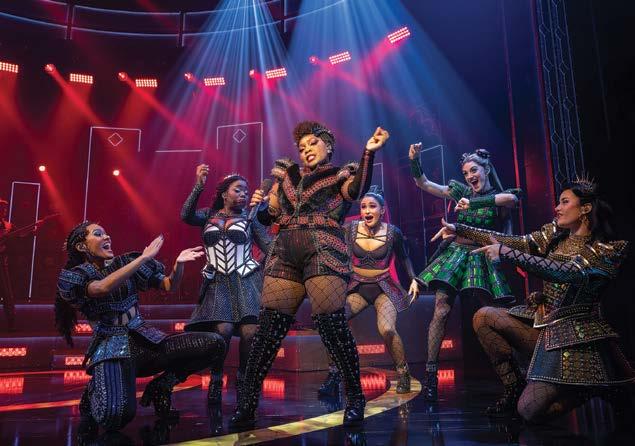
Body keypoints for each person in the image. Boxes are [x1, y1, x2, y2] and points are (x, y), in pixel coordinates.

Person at [230, 122, 389, 426]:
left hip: (323, 247)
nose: (306, 150)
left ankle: (355, 397)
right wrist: (263, 204)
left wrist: (368, 153)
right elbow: (269, 217)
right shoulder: (286, 176)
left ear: (328, 146)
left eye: (313, 143)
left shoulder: (339, 174)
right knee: (268, 331)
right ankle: (247, 405)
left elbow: (356, 191)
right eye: (302, 147)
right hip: (286, 249)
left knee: (331, 325)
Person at [436, 176, 635, 420]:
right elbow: (516, 242)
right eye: (558, 202)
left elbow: (566, 272)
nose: (557, 208)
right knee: (484, 316)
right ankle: (514, 388)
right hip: (544, 327)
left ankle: (588, 389)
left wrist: (506, 253)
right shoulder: (554, 234)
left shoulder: (605, 249)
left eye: (564, 202)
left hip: (576, 339)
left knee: (529, 411)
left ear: (585, 209)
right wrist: (461, 229)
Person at [55, 222, 226, 437]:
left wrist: (178, 264)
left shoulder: (126, 262)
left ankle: (161, 386)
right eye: (98, 234)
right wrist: (143, 258)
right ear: (82, 247)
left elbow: (169, 285)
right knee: (116, 417)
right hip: (111, 350)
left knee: (214, 343)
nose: (107, 237)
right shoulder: (74, 276)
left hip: (146, 343)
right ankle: (93, 391)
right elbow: (101, 288)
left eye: (106, 233)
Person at [409, 145, 521, 400]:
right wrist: (415, 161)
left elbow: (511, 201)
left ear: (486, 169)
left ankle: (515, 376)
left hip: (482, 256)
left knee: (494, 316)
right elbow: (425, 184)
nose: (470, 176)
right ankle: (431, 377)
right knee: (441, 310)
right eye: (466, 173)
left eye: (474, 170)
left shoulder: (500, 197)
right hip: (456, 254)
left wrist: (472, 203)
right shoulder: (461, 191)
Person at [181, 166, 270, 406]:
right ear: (224, 194)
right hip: (217, 281)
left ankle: (244, 378)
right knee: (223, 331)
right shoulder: (208, 215)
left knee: (250, 333)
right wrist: (198, 185)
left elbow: (269, 246)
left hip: (246, 280)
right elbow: (185, 215)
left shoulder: (250, 218)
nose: (243, 194)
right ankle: (216, 378)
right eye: (237, 190)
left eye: (246, 191)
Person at [318, 186, 419, 396]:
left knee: (387, 329)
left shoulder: (393, 233)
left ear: (382, 210)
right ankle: (334, 374)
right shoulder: (351, 229)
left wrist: (413, 279)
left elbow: (404, 258)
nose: (367, 211)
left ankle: (403, 373)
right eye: (363, 207)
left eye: (372, 206)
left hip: (383, 288)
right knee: (333, 321)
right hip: (357, 287)